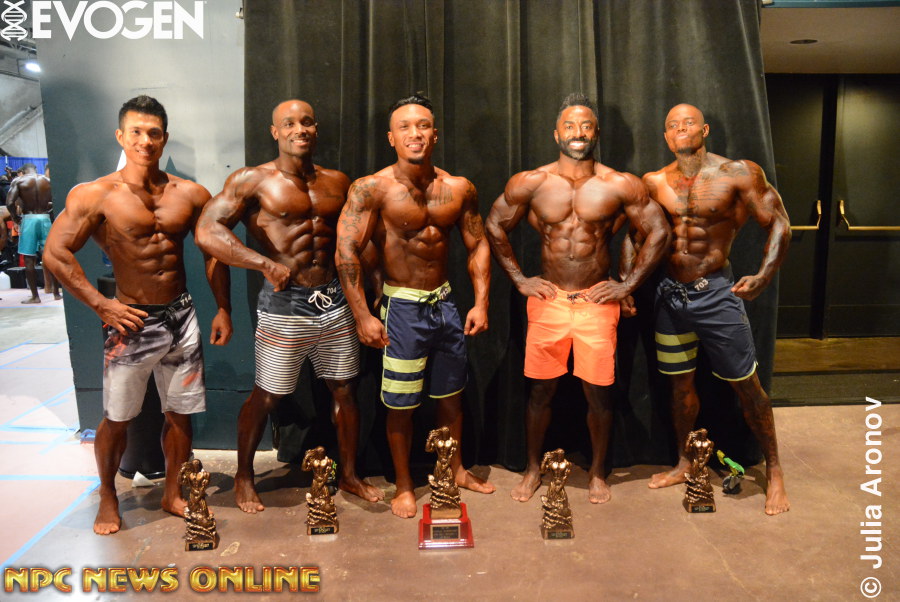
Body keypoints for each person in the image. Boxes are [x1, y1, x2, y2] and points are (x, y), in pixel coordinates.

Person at [43, 95, 233, 535]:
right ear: (120, 136)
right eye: (136, 132)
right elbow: (55, 252)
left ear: (165, 138)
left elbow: (213, 252)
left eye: (153, 133)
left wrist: (223, 306)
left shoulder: (191, 193)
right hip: (132, 322)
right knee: (117, 418)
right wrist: (101, 303)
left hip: (181, 317)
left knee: (181, 414)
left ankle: (173, 492)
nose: (145, 141)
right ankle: (108, 496)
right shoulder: (95, 194)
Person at [195, 99, 382, 512]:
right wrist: (261, 263)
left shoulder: (338, 181)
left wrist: (375, 280)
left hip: (334, 301)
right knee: (267, 395)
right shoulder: (252, 180)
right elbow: (207, 232)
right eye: (290, 123)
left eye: (307, 122)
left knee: (345, 390)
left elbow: (353, 238)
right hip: (285, 306)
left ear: (316, 129)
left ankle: (349, 475)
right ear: (275, 131)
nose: (300, 129)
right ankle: (244, 476)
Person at [486, 93, 670, 504]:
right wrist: (519, 279)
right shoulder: (532, 181)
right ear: (556, 134)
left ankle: (598, 473)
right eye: (569, 126)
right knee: (540, 392)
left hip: (596, 302)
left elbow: (659, 231)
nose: (578, 133)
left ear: (596, 133)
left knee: (599, 393)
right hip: (549, 299)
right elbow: (495, 224)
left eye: (586, 126)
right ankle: (533, 469)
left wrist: (627, 285)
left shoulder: (619, 183)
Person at [335, 93, 495, 518]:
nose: (415, 133)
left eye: (423, 125)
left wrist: (481, 302)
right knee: (401, 405)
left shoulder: (459, 188)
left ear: (435, 134)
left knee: (451, 397)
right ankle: (405, 484)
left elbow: (478, 244)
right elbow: (346, 251)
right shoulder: (371, 188)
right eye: (404, 127)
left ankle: (455, 470)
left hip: (444, 304)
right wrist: (363, 315)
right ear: (391, 137)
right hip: (402, 309)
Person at [642, 103, 791, 515]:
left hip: (717, 294)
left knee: (747, 387)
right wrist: (626, 286)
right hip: (670, 297)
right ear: (666, 136)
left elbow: (779, 222)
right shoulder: (654, 181)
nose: (681, 129)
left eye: (688, 122)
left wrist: (763, 276)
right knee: (679, 386)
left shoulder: (738, 173)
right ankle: (685, 462)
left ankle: (775, 470)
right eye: (672, 125)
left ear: (704, 129)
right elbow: (640, 236)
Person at [6, 163, 60, 302]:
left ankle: (35, 296)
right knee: (51, 257)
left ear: (23, 171)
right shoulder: (47, 181)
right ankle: (56, 293)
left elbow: (10, 202)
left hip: (29, 219)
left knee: (29, 258)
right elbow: (56, 201)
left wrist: (15, 217)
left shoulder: (19, 181)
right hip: (45, 219)